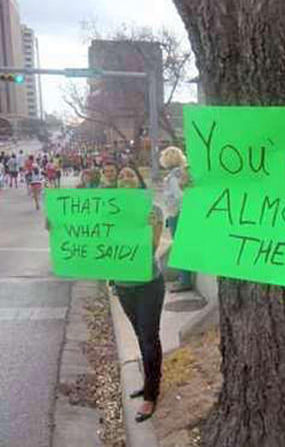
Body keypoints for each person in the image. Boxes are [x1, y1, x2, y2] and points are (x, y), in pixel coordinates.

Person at [114, 164, 166, 423]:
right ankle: (150, 380)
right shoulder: (107, 212)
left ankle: (151, 394)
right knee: (139, 334)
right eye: (120, 175)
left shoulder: (153, 210)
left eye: (130, 175)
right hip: (123, 287)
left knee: (148, 337)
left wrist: (147, 227)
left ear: (139, 181)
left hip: (148, 284)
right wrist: (55, 224)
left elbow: (153, 248)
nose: (124, 178)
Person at [160, 146, 193, 292]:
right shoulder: (183, 173)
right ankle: (183, 278)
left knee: (180, 248)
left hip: (177, 214)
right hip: (184, 213)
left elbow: (179, 196)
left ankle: (184, 280)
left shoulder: (172, 177)